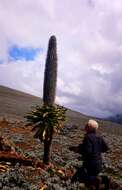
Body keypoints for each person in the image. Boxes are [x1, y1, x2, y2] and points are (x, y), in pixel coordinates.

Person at [69, 119, 112, 190]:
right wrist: (97, 151)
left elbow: (87, 151)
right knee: (91, 175)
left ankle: (95, 180)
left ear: (89, 127)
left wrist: (78, 150)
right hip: (99, 164)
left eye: (86, 125)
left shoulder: (88, 137)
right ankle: (106, 179)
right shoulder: (99, 138)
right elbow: (106, 148)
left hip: (90, 164)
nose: (85, 126)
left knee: (80, 176)